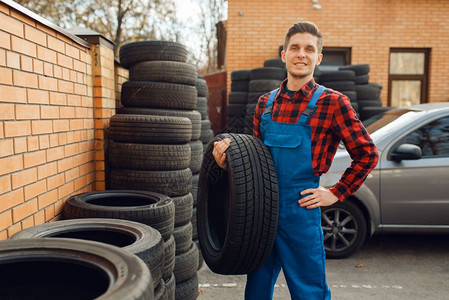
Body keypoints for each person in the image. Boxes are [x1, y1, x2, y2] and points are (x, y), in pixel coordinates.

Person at [213, 21, 378, 299]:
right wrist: (226, 164)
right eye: (295, 48)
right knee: (256, 290)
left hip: (300, 209)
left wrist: (336, 193)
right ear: (284, 54)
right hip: (262, 211)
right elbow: (256, 161)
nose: (301, 54)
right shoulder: (265, 103)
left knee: (309, 292)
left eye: (309, 49)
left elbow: (367, 154)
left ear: (318, 57)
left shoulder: (333, 103)